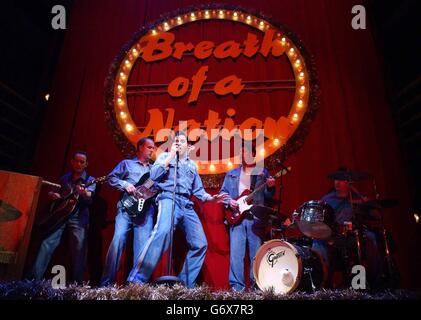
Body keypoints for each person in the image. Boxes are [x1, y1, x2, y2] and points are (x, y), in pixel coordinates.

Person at [127, 132, 229, 288]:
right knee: (162, 232)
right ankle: (137, 279)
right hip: (168, 198)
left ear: (188, 147)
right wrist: (170, 157)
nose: (178, 143)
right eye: (176, 141)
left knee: (200, 244)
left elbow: (199, 191)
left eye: (182, 141)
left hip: (187, 204)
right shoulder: (164, 157)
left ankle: (183, 285)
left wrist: (212, 198)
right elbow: (153, 176)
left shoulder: (192, 166)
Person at [28, 150, 96, 284]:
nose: (78, 164)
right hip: (62, 216)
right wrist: (56, 196)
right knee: (46, 243)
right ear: (72, 162)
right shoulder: (65, 178)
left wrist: (83, 193)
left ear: (86, 164)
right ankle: (33, 281)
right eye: (76, 161)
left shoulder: (90, 180)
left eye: (81, 162)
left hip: (78, 217)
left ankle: (78, 284)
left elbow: (90, 197)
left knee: (79, 248)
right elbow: (61, 196)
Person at [312, 168, 383, 289]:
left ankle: (373, 282)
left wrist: (370, 205)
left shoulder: (357, 197)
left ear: (348, 182)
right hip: (335, 235)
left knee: (373, 238)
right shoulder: (327, 199)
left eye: (340, 180)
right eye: (335, 180)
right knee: (317, 241)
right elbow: (320, 221)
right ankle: (322, 283)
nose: (336, 183)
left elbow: (377, 216)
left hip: (354, 235)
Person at [220, 143, 276, 291]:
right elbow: (223, 193)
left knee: (255, 254)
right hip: (237, 217)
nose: (242, 155)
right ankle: (236, 289)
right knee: (236, 256)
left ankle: (256, 286)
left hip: (255, 218)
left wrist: (270, 187)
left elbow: (268, 196)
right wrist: (229, 201)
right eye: (241, 152)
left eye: (245, 152)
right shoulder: (231, 173)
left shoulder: (262, 173)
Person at [100, 137, 156, 286]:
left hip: (145, 212)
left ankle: (136, 287)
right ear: (140, 147)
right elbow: (110, 178)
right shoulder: (127, 164)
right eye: (149, 147)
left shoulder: (154, 169)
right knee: (117, 240)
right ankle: (106, 284)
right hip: (126, 208)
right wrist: (125, 184)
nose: (152, 150)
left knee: (142, 248)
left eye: (153, 148)